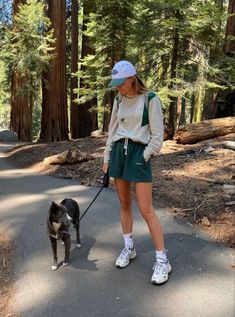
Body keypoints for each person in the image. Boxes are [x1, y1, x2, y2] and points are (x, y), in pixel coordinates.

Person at [102, 60, 171, 285]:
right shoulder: (119, 99)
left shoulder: (150, 99)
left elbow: (157, 136)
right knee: (123, 204)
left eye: (121, 83)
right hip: (119, 154)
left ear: (132, 78)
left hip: (138, 153)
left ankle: (162, 261)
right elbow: (112, 131)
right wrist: (107, 157)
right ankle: (129, 248)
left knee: (145, 209)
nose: (118, 87)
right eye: (116, 83)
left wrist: (144, 155)